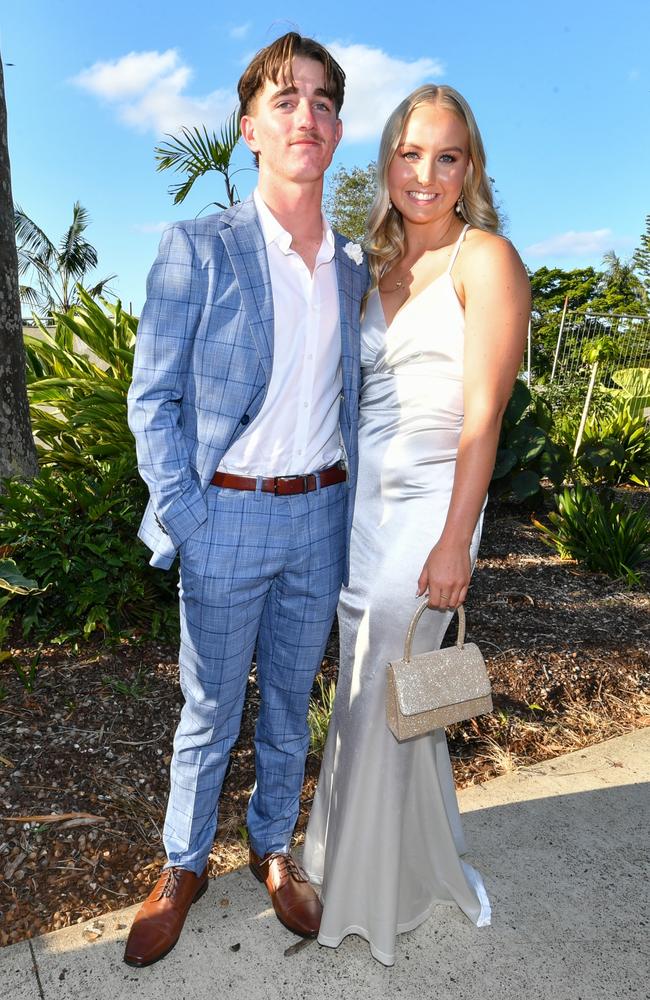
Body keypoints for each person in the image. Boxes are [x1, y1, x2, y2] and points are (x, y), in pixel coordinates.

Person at [124, 32, 367, 967]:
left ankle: (272, 850)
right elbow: (153, 396)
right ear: (251, 128)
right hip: (223, 514)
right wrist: (185, 513)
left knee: (287, 709)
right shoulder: (199, 246)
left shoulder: (353, 267)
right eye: (284, 98)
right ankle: (182, 865)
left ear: (337, 129)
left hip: (320, 519)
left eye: (321, 101)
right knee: (209, 708)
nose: (304, 114)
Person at [303, 83, 530, 966]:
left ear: (468, 168)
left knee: (371, 687)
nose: (425, 173)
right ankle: (395, 857)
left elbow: (485, 417)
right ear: (388, 160)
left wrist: (454, 540)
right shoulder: (373, 263)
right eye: (409, 154)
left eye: (446, 156)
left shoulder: (487, 260)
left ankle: (364, 893)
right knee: (379, 691)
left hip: (435, 509)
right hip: (363, 512)